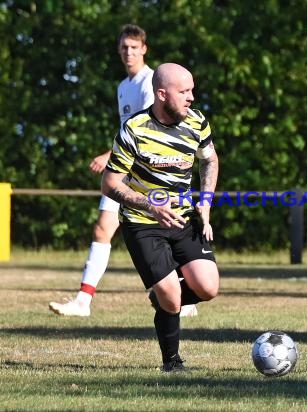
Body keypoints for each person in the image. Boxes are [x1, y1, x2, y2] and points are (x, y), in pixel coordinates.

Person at [48, 24, 198, 318]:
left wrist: (108, 155)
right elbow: (126, 131)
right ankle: (84, 300)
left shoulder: (149, 83)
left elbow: (147, 125)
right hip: (125, 170)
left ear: (144, 49)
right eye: (124, 48)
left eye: (134, 47)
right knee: (103, 229)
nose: (128, 52)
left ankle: (186, 297)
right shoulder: (123, 86)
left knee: (168, 227)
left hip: (150, 170)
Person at [102, 62, 220, 372]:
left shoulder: (196, 122)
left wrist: (205, 204)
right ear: (162, 94)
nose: (191, 97)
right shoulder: (134, 129)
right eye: (184, 92)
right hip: (143, 224)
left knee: (208, 287)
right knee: (170, 293)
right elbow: (110, 183)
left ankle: (167, 302)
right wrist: (151, 207)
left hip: (183, 219)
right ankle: (172, 362)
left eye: (192, 90)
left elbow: (210, 160)